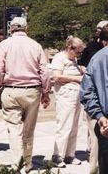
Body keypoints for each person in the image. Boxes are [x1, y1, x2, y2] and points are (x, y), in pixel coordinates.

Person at [0, 17, 51, 173]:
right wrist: (46, 92)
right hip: (32, 91)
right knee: (29, 131)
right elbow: (45, 72)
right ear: (26, 29)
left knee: (14, 130)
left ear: (11, 29)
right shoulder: (36, 45)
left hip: (11, 91)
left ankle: (18, 166)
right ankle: (28, 163)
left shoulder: (4, 45)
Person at [50, 36, 85, 168]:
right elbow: (57, 76)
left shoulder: (74, 59)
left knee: (75, 126)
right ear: (70, 48)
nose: (79, 54)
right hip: (65, 95)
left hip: (76, 94)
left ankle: (70, 154)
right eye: (78, 52)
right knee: (64, 125)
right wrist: (77, 78)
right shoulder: (60, 58)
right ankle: (57, 155)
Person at [78, 21, 107, 173]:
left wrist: (100, 117)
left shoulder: (96, 59)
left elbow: (86, 92)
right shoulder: (94, 55)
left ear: (103, 40)